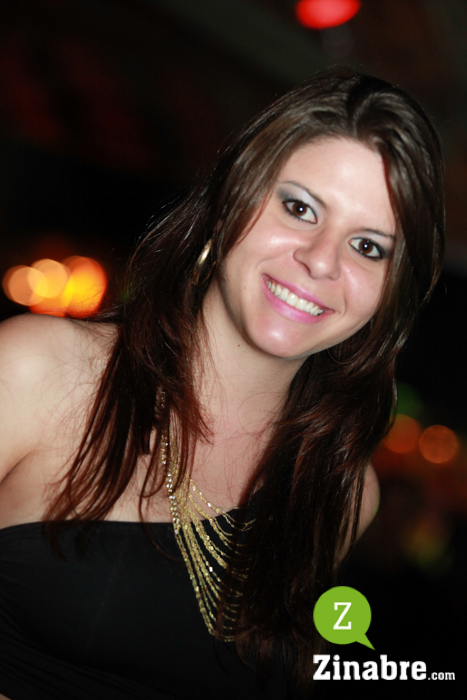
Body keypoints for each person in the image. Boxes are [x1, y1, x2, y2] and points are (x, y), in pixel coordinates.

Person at [0, 68, 444, 699]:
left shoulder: (343, 492)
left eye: (369, 247)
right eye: (299, 208)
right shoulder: (36, 370)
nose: (322, 259)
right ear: (232, 199)